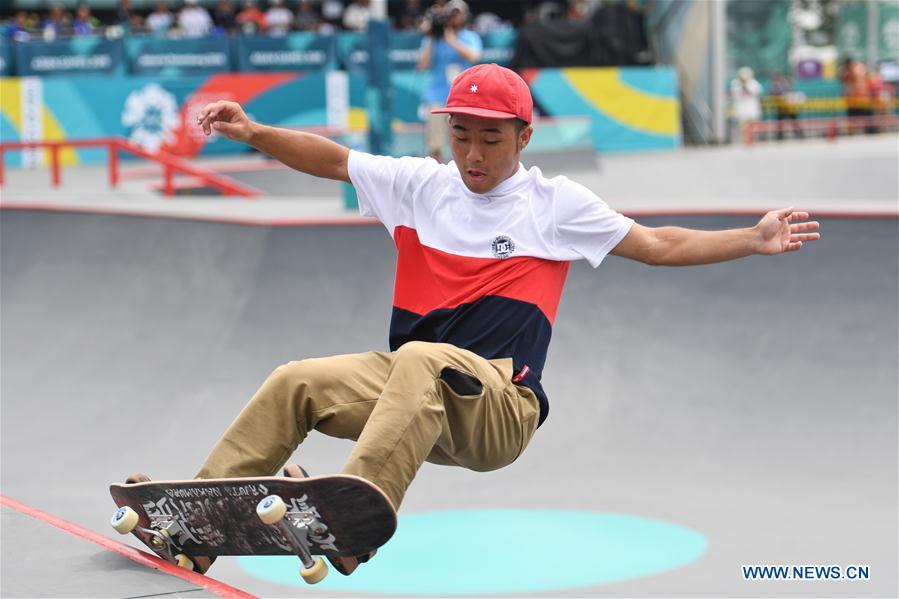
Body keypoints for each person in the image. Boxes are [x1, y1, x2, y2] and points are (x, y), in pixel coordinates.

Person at [172, 63, 821, 577]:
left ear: (523, 137)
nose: (473, 153)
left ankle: (350, 520)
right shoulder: (416, 187)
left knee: (423, 357)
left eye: (490, 138)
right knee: (297, 380)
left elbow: (656, 244)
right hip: (412, 400)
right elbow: (330, 158)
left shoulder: (553, 205)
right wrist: (253, 131)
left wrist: (748, 238)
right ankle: (196, 522)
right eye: (460, 135)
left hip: (499, 409)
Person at [417, 0, 482, 162]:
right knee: (435, 144)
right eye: (450, 14)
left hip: (463, 97)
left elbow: (474, 56)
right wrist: (431, 36)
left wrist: (451, 39)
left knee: (464, 140)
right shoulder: (433, 39)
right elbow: (422, 65)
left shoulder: (469, 37)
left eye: (457, 14)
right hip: (437, 96)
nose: (453, 18)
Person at [729, 66, 762, 143]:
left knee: (752, 126)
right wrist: (742, 85)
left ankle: (752, 140)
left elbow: (756, 92)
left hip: (751, 108)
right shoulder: (735, 83)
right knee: (742, 126)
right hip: (741, 108)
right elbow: (735, 95)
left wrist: (746, 85)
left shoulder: (753, 83)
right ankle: (743, 141)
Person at [769, 70, 804, 140]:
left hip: (788, 106)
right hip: (781, 107)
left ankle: (799, 134)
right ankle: (779, 136)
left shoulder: (784, 83)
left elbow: (790, 92)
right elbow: (773, 93)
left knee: (794, 120)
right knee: (780, 122)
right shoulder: (774, 84)